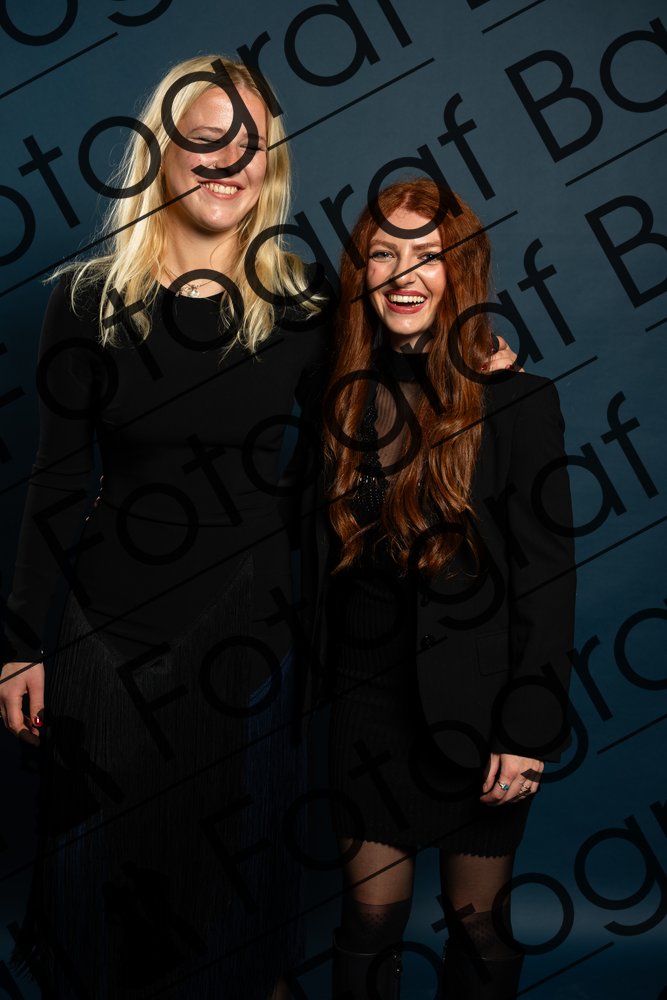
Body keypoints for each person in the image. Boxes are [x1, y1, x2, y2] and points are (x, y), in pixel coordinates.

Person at [0, 54, 331, 999]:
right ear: (160, 154)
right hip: (104, 640)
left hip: (249, 642)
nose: (230, 161)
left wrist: (481, 364)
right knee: (96, 912)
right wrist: (19, 646)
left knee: (233, 911)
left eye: (251, 144)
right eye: (206, 138)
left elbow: (342, 465)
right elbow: (57, 479)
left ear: (271, 164)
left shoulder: (308, 305)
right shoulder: (84, 302)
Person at [322, 179, 575, 999]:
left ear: (458, 272)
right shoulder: (330, 390)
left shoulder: (520, 401)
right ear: (360, 272)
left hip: (481, 710)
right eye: (382, 253)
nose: (403, 274)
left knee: (477, 926)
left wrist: (528, 728)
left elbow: (546, 575)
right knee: (369, 918)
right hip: (362, 705)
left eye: (427, 256)